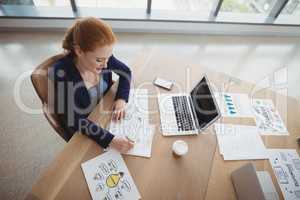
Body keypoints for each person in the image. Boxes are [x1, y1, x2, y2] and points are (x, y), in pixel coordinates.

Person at [49, 17, 134, 153]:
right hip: (88, 127)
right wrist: (110, 139)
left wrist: (121, 99)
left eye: (108, 57)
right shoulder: (62, 74)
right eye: (100, 60)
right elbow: (75, 120)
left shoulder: (103, 56)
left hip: (105, 113)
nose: (106, 65)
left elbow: (125, 72)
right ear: (79, 51)